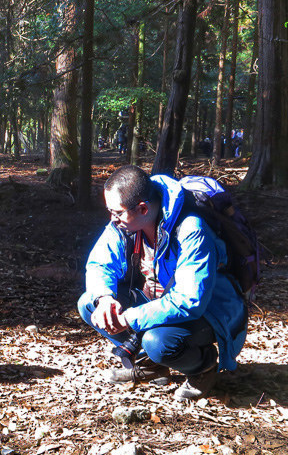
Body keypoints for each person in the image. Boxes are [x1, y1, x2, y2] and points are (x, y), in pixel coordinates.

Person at [77, 165, 247, 401]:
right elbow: (99, 264)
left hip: (210, 311)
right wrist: (104, 298)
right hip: (161, 299)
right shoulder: (125, 222)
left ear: (143, 208)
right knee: (89, 304)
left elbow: (190, 301)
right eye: (109, 211)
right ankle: (152, 366)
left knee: (157, 342)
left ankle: (203, 367)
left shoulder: (191, 228)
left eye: (116, 213)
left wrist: (129, 318)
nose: (111, 219)